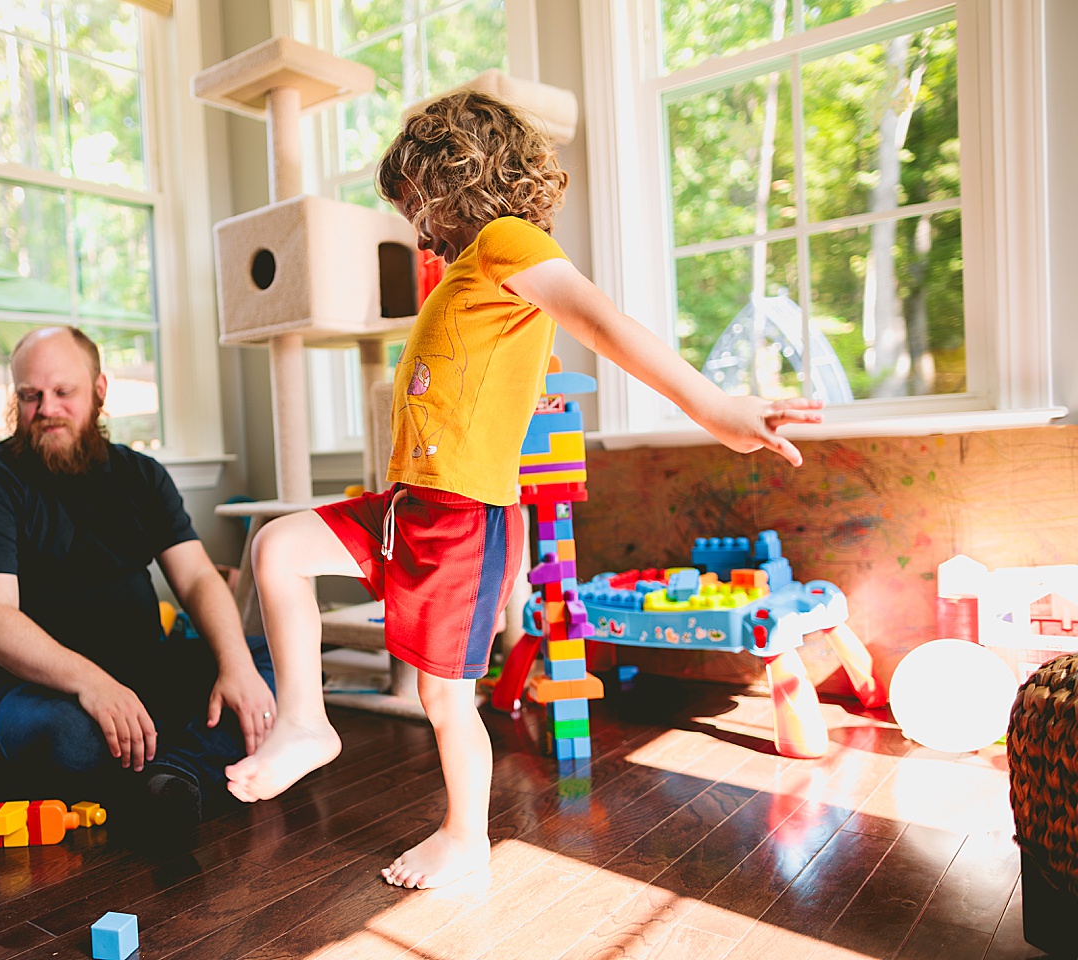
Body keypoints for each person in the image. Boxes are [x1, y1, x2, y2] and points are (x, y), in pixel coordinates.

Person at [224, 90, 824, 888]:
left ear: (453, 177)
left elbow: (602, 322)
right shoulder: (474, 269)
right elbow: (494, 357)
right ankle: (305, 718)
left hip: (464, 518)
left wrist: (712, 406)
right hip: (413, 505)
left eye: (415, 204)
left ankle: (465, 840)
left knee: (446, 698)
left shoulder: (509, 240)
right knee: (277, 546)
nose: (415, 227)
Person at [0, 325, 277, 841]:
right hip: (37, 692)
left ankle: (168, 775)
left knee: (273, 664)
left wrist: (233, 667)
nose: (46, 408)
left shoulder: (141, 475)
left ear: (99, 390)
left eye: (63, 392)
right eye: (30, 395)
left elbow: (197, 579)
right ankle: (184, 767)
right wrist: (91, 683)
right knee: (70, 740)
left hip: (146, 672)